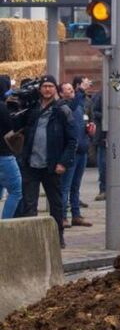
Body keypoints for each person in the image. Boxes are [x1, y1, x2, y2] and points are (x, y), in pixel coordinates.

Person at [19, 75, 77, 248]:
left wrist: (63, 162)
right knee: (29, 203)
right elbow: (17, 126)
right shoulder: (32, 109)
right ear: (40, 89)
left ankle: (57, 237)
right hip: (31, 163)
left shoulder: (62, 110)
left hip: (52, 165)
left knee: (56, 204)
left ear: (56, 89)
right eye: (44, 86)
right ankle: (31, 240)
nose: (47, 89)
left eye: (51, 86)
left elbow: (72, 140)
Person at [59, 81, 93, 228]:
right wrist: (81, 90)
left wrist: (89, 130)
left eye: (72, 89)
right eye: (67, 89)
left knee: (76, 186)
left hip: (82, 150)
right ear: (60, 93)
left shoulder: (79, 105)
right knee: (65, 186)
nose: (71, 91)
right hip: (70, 152)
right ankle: (62, 216)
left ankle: (76, 215)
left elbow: (82, 121)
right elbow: (71, 109)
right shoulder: (63, 106)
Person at [0, 75, 22, 220]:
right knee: (16, 191)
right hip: (4, 154)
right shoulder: (2, 107)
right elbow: (10, 130)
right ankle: (5, 226)